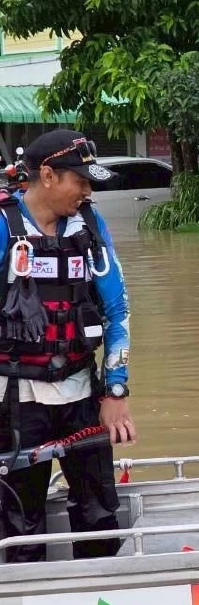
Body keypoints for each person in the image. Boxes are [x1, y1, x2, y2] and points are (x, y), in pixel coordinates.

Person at [0, 130, 135, 562]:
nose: (87, 191)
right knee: (20, 530)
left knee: (99, 517)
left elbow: (118, 311)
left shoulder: (90, 228)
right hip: (16, 402)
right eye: (80, 180)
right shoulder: (4, 227)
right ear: (48, 175)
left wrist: (115, 391)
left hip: (83, 397)